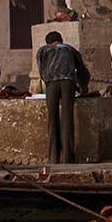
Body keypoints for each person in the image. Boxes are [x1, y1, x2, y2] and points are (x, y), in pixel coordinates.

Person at [36, 30, 90, 164]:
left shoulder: (43, 50)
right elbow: (83, 71)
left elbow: (41, 69)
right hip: (68, 82)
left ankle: (53, 158)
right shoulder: (70, 49)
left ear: (48, 42)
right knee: (67, 119)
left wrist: (48, 81)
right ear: (61, 40)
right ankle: (68, 158)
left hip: (51, 84)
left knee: (52, 119)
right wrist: (82, 88)